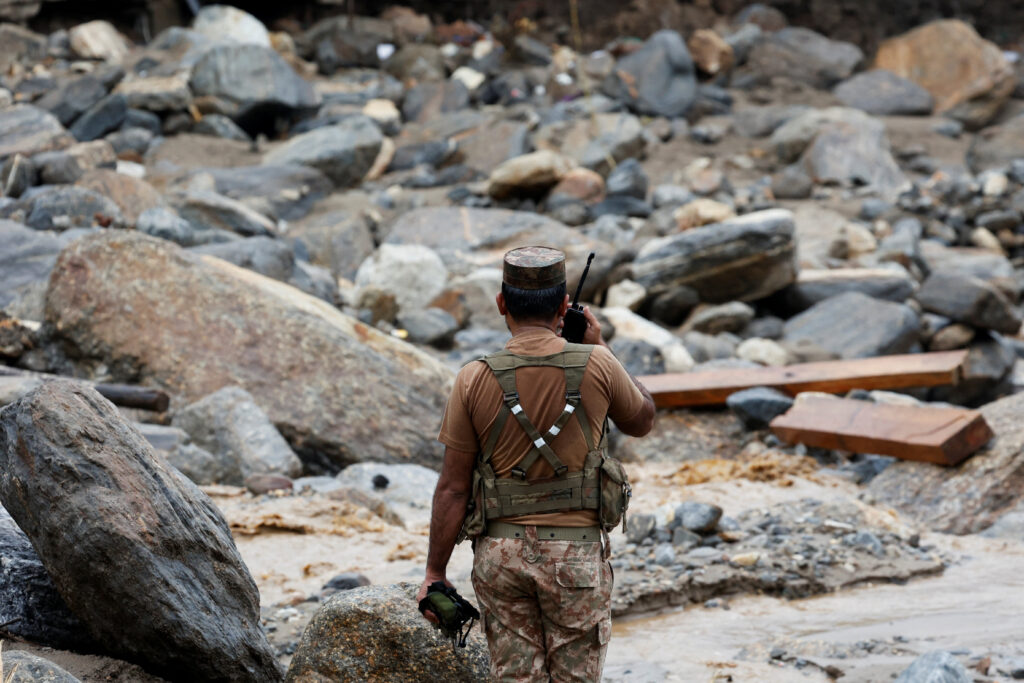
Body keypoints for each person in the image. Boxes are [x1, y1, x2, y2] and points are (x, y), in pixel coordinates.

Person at [418, 246, 656, 681]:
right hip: (576, 557)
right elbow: (642, 419)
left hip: (501, 556)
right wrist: (599, 345)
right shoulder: (599, 364)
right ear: (565, 307)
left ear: (501, 304)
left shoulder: (474, 377)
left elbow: (452, 487)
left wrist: (435, 572)